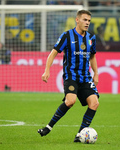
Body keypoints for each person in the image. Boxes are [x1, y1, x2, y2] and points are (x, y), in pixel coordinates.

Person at [38, 10, 100, 143]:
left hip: (85, 77)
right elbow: (53, 53)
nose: (87, 23)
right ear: (77, 20)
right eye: (85, 20)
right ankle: (49, 127)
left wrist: (96, 73)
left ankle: (79, 136)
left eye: (89, 20)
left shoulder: (91, 38)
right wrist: (47, 70)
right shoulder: (67, 36)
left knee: (94, 103)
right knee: (70, 101)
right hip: (71, 76)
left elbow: (92, 56)